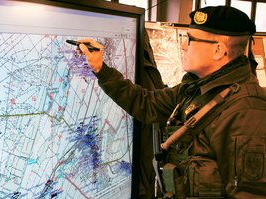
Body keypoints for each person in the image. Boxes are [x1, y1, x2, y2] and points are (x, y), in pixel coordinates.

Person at [78, 5, 266, 199]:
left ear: (218, 50)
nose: (183, 45)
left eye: (190, 39)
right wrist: (101, 68)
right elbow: (147, 104)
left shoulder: (247, 111)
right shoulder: (195, 89)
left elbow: (250, 193)